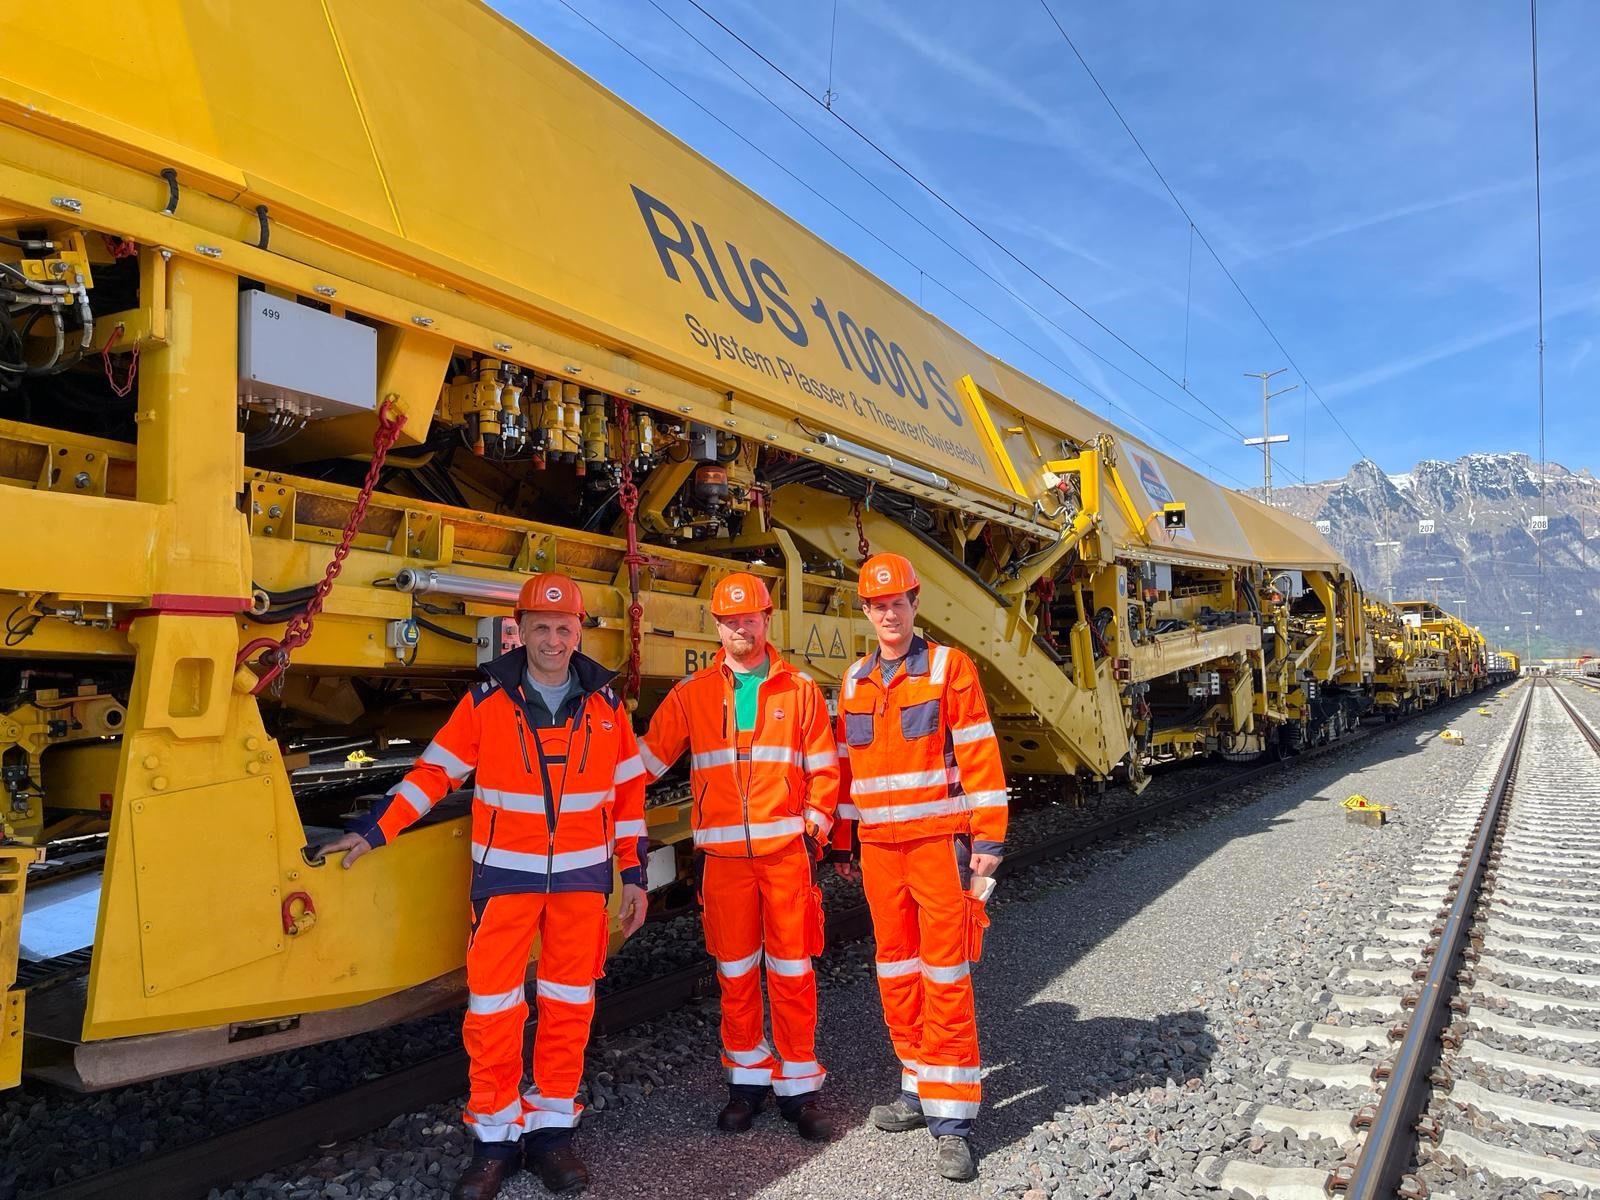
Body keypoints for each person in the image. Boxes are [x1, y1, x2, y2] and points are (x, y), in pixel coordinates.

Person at [316, 573, 649, 1199]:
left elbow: (627, 797)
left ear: (580, 632)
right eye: (541, 628)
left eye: (564, 628)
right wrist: (373, 831)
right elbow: (434, 773)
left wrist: (632, 873)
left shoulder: (607, 709)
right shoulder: (486, 702)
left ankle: (553, 1136)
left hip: (581, 883)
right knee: (493, 1011)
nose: (552, 639)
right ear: (518, 631)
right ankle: (494, 1140)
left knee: (568, 1009)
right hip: (504, 882)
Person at [638, 572, 840, 1141]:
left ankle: (799, 1090)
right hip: (724, 862)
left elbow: (826, 769)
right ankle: (746, 1084)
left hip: (784, 858)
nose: (739, 627)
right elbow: (646, 762)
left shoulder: (799, 690)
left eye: (748, 617)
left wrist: (811, 832)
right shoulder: (693, 693)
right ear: (717, 626)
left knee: (794, 972)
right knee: (735, 974)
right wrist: (583, 782)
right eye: (729, 620)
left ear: (766, 619)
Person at [831, 552, 1007, 1183]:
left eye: (897, 603)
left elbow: (981, 754)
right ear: (868, 611)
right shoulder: (853, 682)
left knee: (945, 974)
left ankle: (953, 1120)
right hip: (879, 850)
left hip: (938, 846)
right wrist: (846, 842)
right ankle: (915, 1084)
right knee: (897, 971)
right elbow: (849, 774)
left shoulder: (947, 669)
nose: (889, 614)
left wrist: (988, 837)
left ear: (914, 605)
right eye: (877, 606)